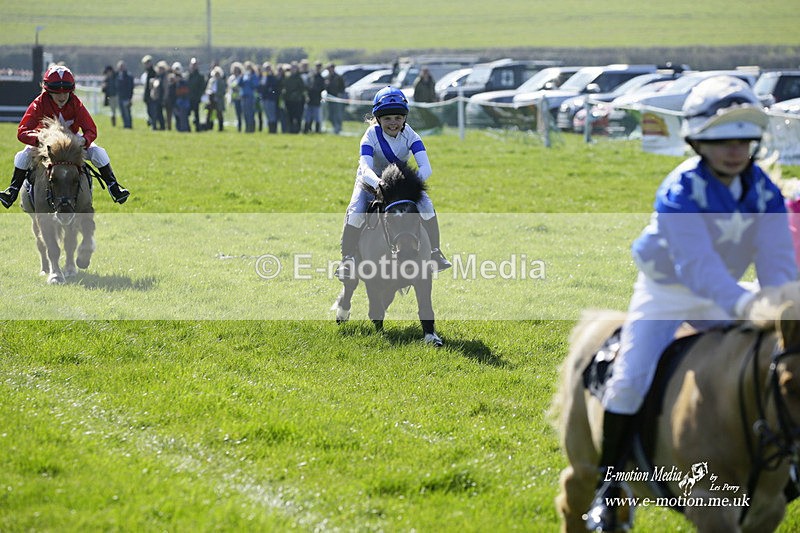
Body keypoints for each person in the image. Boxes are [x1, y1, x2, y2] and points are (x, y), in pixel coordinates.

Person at [584, 75, 799, 531]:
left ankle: (787, 462)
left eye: (743, 140)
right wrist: (751, 307)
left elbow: (779, 265)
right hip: (669, 291)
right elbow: (699, 270)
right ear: (697, 141)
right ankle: (610, 486)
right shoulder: (679, 190)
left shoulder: (764, 191)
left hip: (730, 291)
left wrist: (786, 309)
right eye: (721, 141)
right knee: (629, 378)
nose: (734, 150)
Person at [336, 86, 451, 280]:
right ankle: (347, 259)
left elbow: (426, 168)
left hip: (400, 181)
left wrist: (410, 185)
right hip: (371, 181)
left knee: (427, 206)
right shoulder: (370, 136)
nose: (393, 123)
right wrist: (380, 184)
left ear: (404, 118)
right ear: (378, 119)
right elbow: (365, 168)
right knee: (356, 211)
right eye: (387, 118)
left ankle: (435, 253)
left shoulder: (411, 135)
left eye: (398, 118)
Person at [0, 65, 130, 209]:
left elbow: (91, 129)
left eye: (66, 92)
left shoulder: (76, 103)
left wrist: (84, 140)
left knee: (99, 152)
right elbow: (22, 131)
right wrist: (38, 139)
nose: (62, 97)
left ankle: (114, 188)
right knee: (21, 156)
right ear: (48, 91)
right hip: (45, 142)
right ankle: (12, 192)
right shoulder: (39, 103)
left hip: (72, 140)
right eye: (57, 93)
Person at [259, 62, 281, 134]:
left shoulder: (272, 77)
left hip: (271, 99)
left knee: (272, 115)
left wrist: (270, 91)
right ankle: (270, 129)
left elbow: (274, 89)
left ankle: (273, 130)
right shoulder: (262, 77)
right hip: (264, 98)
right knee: (267, 115)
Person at [303, 62, 325, 133]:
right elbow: (306, 87)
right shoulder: (310, 77)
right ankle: (306, 129)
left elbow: (322, 88)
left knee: (317, 117)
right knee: (308, 116)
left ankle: (317, 130)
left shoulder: (321, 78)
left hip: (317, 99)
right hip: (309, 99)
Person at [325, 63, 345, 134]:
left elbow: (342, 87)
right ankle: (334, 127)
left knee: (337, 114)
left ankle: (338, 128)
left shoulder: (338, 77)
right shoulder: (327, 77)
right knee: (331, 114)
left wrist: (340, 94)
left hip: (337, 99)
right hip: (329, 99)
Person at [187, 58, 206, 132]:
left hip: (196, 98)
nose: (193, 66)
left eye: (195, 65)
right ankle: (187, 128)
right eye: (192, 65)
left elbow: (202, 87)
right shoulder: (188, 75)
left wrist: (198, 96)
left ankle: (198, 128)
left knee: (196, 114)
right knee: (187, 114)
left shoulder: (200, 76)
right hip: (188, 98)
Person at [115, 60, 134, 129]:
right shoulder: (117, 75)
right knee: (122, 112)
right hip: (120, 97)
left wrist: (130, 98)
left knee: (127, 112)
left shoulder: (128, 75)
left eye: (122, 66)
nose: (121, 68)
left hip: (126, 97)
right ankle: (125, 125)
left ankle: (129, 125)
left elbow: (130, 87)